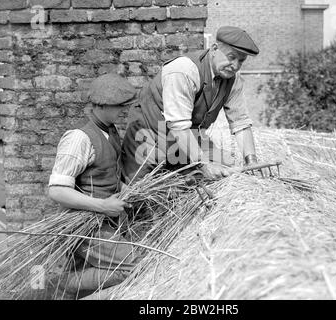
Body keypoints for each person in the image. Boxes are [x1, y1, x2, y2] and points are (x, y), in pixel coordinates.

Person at [121, 26, 260, 182]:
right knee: (142, 188)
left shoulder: (233, 78)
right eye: (231, 57)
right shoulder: (184, 71)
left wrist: (251, 161)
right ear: (214, 48)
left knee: (224, 167)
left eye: (241, 61)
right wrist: (203, 163)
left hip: (186, 135)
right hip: (149, 132)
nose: (235, 65)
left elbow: (240, 122)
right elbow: (178, 126)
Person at [48, 73, 141, 297]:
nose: (124, 111)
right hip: (86, 228)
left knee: (85, 274)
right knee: (131, 267)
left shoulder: (109, 130)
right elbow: (57, 191)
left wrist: (122, 187)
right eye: (119, 106)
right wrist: (102, 206)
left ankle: (62, 286)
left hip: (104, 222)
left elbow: (102, 172)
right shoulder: (79, 139)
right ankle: (55, 281)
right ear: (101, 105)